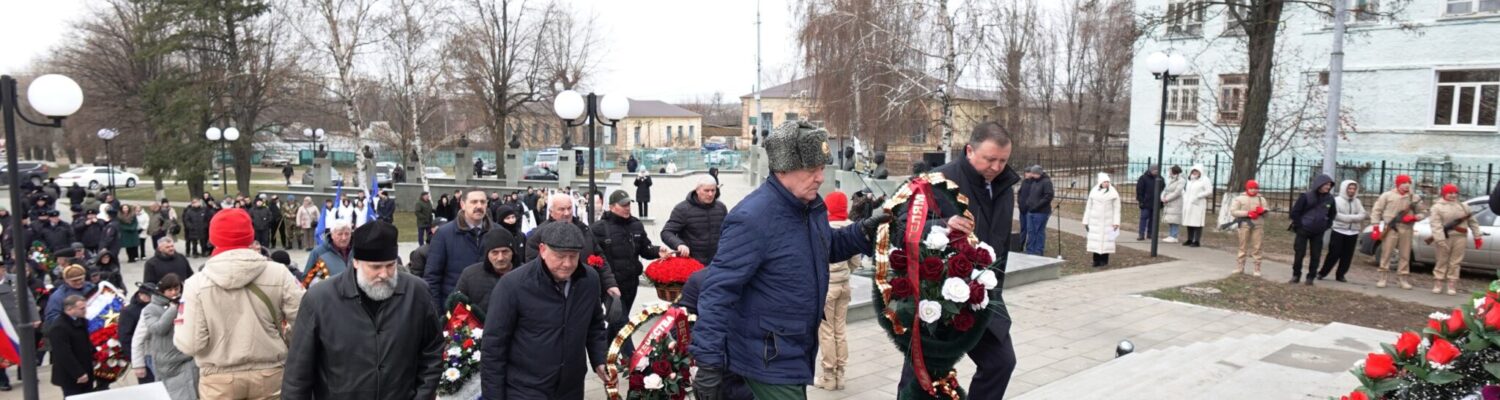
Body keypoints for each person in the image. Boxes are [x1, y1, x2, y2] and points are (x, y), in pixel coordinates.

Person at [691, 121, 879, 400]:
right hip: (767, 357)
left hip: (795, 350)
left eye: (822, 168)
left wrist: (863, 231)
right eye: (812, 169)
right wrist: (708, 362)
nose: (819, 177)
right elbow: (717, 291)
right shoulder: (752, 218)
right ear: (782, 169)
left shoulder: (810, 206)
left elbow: (826, 245)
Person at [894, 121, 1020, 400]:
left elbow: (1001, 246)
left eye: (1003, 160)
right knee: (920, 377)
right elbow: (900, 225)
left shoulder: (1004, 187)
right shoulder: (937, 181)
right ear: (969, 151)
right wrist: (940, 224)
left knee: (1001, 362)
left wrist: (993, 289)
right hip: (937, 299)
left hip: (981, 297)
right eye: (990, 159)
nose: (997, 167)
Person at [284, 220, 444, 399]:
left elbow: (433, 351)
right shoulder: (319, 299)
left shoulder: (417, 293)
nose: (384, 274)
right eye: (375, 267)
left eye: (390, 265)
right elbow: (298, 374)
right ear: (356, 262)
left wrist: (422, 396)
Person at [174, 208, 305, 399]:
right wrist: (286, 340)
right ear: (250, 234)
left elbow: (191, 343)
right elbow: (305, 319)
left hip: (218, 378)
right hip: (270, 373)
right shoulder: (280, 273)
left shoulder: (196, 284)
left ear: (213, 237)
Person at [481, 222, 609, 400]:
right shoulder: (513, 285)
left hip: (571, 388)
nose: (567, 264)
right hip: (525, 389)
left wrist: (600, 359)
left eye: (573, 256)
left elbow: (595, 325)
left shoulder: (589, 280)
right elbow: (493, 347)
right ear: (542, 250)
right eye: (560, 256)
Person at [591, 190, 668, 351]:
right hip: (610, 286)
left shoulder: (636, 224)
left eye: (628, 204)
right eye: (623, 204)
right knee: (622, 323)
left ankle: (603, 354)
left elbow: (645, 249)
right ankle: (634, 363)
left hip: (631, 284)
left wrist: (657, 251)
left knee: (616, 322)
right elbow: (593, 255)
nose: (627, 207)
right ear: (612, 207)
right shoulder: (599, 228)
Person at [426, 189, 503, 308]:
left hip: (492, 308)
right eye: (474, 202)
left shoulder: (498, 232)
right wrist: (438, 314)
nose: (479, 206)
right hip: (456, 312)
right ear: (462, 205)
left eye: (483, 202)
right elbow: (432, 277)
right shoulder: (444, 234)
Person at [816, 190, 858, 391]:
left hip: (826, 289)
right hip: (844, 286)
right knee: (840, 329)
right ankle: (841, 374)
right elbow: (856, 261)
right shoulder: (851, 228)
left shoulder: (822, 227)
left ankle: (828, 376)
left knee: (826, 331)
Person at [137, 274, 199, 400]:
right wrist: (172, 310)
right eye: (170, 290)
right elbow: (157, 329)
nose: (174, 293)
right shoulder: (150, 309)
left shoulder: (187, 304)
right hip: (169, 363)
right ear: (162, 291)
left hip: (188, 357)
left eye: (176, 289)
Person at [1370, 174, 1427, 289]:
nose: (1406, 185)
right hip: (1391, 228)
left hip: (1406, 228)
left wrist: (1414, 218)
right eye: (1403, 183)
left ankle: (1403, 279)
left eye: (1408, 183)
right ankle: (1383, 277)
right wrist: (1375, 227)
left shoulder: (1414, 198)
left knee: (1405, 254)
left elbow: (1423, 213)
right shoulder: (1387, 196)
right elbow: (1377, 210)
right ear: (1398, 184)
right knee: (1386, 253)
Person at [660, 176, 728, 267]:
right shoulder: (682, 209)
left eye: (713, 190)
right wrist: (679, 244)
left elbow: (727, 231)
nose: (710, 194)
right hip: (691, 263)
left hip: (716, 263)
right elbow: (666, 232)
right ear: (697, 190)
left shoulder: (721, 208)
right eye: (706, 190)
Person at [1428, 183, 1483, 295]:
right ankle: (1438, 282)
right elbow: (1435, 224)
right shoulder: (1437, 207)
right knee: (1441, 260)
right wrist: (1440, 239)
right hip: (1444, 237)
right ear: (1444, 194)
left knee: (1456, 262)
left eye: (1455, 193)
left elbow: (1473, 222)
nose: (1453, 195)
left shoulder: (1464, 207)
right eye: (1450, 193)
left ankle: (1452, 284)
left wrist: (1477, 236)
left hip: (1460, 237)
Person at [455, 229, 519, 313]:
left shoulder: (527, 274)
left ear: (513, 253)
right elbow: (456, 307)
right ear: (487, 254)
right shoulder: (470, 275)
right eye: (494, 253)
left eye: (505, 252)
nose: (500, 258)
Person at [0, 261, 41, 391]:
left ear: (3, 269)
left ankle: (25, 374)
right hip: (1, 325)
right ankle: (2, 380)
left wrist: (34, 317)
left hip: (17, 321)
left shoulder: (15, 280)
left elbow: (28, 299)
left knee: (24, 349)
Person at [1289, 174, 1336, 285]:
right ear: (1319, 184)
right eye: (1326, 184)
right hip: (1303, 230)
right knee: (1299, 253)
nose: (1328, 187)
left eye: (1330, 185)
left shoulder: (1330, 199)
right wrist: (1300, 225)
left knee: (1316, 255)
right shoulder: (1306, 196)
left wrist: (1326, 225)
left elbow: (1332, 214)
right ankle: (1296, 275)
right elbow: (1295, 212)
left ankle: (1311, 277)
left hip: (1318, 231)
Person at [48, 295, 95, 397]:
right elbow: (63, 354)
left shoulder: (81, 320)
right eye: (82, 308)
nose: (85, 311)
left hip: (85, 368)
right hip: (71, 375)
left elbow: (86, 343)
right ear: (69, 309)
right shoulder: (59, 327)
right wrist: (78, 373)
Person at [1319, 180, 1366, 282]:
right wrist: (1351, 218)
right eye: (1350, 188)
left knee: (1347, 255)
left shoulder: (1357, 202)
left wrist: (1353, 218)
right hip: (1338, 230)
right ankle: (1323, 272)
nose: (1352, 191)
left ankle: (1340, 275)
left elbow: (1362, 214)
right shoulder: (1336, 200)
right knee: (1334, 253)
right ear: (1344, 188)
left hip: (1353, 231)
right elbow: (1335, 215)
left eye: (1354, 189)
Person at [1229, 180, 1270, 276]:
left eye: (1255, 188)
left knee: (1257, 246)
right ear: (1247, 188)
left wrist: (1263, 211)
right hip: (1244, 224)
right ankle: (1240, 267)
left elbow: (1267, 214)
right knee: (1242, 246)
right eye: (1251, 188)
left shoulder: (1261, 199)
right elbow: (1233, 211)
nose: (1253, 190)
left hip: (1258, 225)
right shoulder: (1240, 198)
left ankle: (1257, 268)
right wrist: (1247, 213)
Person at [119, 287, 155, 384]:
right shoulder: (129, 311)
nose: (150, 298)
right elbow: (125, 338)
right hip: (140, 354)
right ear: (140, 295)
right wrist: (135, 362)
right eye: (148, 296)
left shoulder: (155, 308)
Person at [1084, 173, 1121, 267]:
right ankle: (1096, 260)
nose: (1106, 183)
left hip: (1108, 221)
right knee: (1095, 241)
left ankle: (1104, 260)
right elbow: (1088, 207)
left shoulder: (1113, 193)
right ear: (1100, 182)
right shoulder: (1094, 191)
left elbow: (1117, 209)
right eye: (1104, 182)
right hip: (1095, 221)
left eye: (1108, 182)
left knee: (1107, 241)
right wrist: (1086, 220)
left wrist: (1116, 222)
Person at [1016, 165, 1054, 256]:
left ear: (1038, 173)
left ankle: (1038, 251)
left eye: (1033, 173)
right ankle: (1030, 250)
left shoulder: (1046, 182)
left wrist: (1037, 206)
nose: (1031, 175)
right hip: (1030, 211)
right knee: (1030, 231)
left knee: (1039, 231)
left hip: (1041, 212)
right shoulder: (1033, 182)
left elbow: (1048, 196)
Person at [1181, 165, 1212, 247]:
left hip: (1198, 204)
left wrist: (1199, 196)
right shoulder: (1190, 180)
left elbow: (1209, 191)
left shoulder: (1204, 180)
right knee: (1189, 222)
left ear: (1200, 172)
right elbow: (1187, 190)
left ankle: (1196, 240)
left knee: (1197, 223)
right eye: (1193, 171)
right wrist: (1185, 196)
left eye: (1196, 171)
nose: (1194, 173)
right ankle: (1190, 239)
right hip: (1189, 204)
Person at [1135, 165, 1164, 241]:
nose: (1156, 171)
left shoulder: (1160, 178)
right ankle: (1141, 234)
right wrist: (1141, 201)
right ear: (1150, 170)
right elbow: (1139, 190)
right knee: (1143, 218)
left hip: (1156, 203)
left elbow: (1163, 190)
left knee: (1153, 219)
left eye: (1157, 170)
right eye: (1154, 170)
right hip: (1146, 203)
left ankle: (1150, 234)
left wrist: (1161, 201)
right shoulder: (1143, 178)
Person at [1160, 166, 1185, 243]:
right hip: (1169, 202)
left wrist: (1167, 198)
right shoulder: (1170, 179)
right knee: (1170, 219)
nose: (1169, 172)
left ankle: (1174, 236)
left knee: (1174, 219)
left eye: (1170, 171)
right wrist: (1162, 197)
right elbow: (1165, 189)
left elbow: (1177, 192)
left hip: (1176, 202)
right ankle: (1171, 235)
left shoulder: (1181, 180)